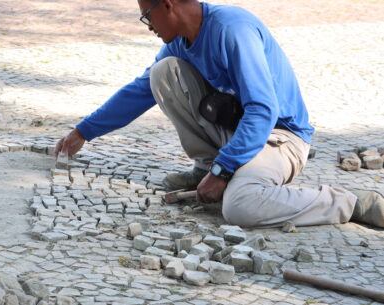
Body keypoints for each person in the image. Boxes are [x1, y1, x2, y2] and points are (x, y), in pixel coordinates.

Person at [53, 0, 384, 228]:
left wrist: (225, 171)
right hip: (235, 132)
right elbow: (139, 92)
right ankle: (206, 167)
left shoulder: (232, 29)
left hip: (278, 137)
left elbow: (263, 109)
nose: (147, 26)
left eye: (146, 16)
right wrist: (83, 131)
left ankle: (353, 204)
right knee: (162, 73)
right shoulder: (179, 42)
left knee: (240, 206)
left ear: (168, 4)